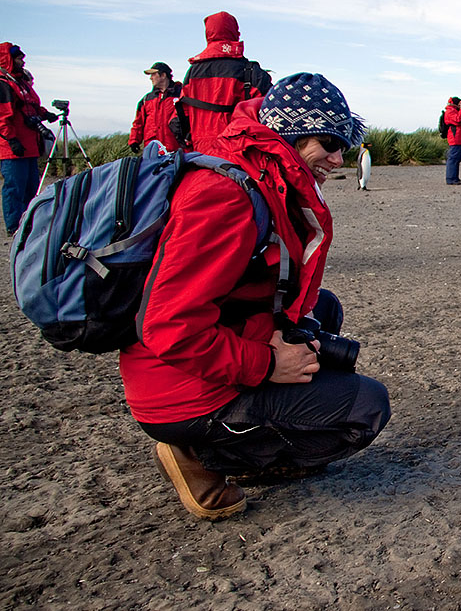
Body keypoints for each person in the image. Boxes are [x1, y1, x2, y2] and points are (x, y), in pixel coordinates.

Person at [120, 72, 390, 521]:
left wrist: (286, 333)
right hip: (173, 383)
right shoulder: (227, 196)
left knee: (323, 308)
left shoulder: (255, 167)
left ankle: (228, 432)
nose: (338, 157)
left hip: (193, 355)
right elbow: (166, 324)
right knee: (365, 407)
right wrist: (267, 362)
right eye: (327, 142)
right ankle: (201, 456)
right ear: (290, 134)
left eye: (343, 144)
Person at [174, 11, 272, 153]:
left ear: (208, 34)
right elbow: (269, 114)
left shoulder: (191, 73)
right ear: (235, 33)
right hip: (240, 155)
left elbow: (179, 118)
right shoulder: (250, 71)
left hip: (200, 155)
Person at [0, 43, 58, 235]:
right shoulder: (3, 84)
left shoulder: (21, 83)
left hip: (30, 144)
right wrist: (11, 139)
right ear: (8, 60)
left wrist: (45, 114)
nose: (22, 61)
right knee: (14, 187)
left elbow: (30, 107)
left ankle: (26, 222)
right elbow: (2, 117)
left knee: (31, 186)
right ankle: (14, 226)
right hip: (13, 147)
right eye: (18, 58)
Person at [128, 62, 182, 153]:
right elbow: (138, 123)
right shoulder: (146, 100)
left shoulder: (181, 95)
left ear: (163, 75)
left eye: (153, 74)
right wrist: (134, 141)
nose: (150, 78)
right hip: (152, 151)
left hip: (176, 149)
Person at [443, 96, 461, 185]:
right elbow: (458, 120)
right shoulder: (450, 111)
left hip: (459, 138)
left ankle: (455, 178)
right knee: (453, 158)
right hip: (455, 138)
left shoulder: (455, 110)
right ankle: (450, 179)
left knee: (457, 158)